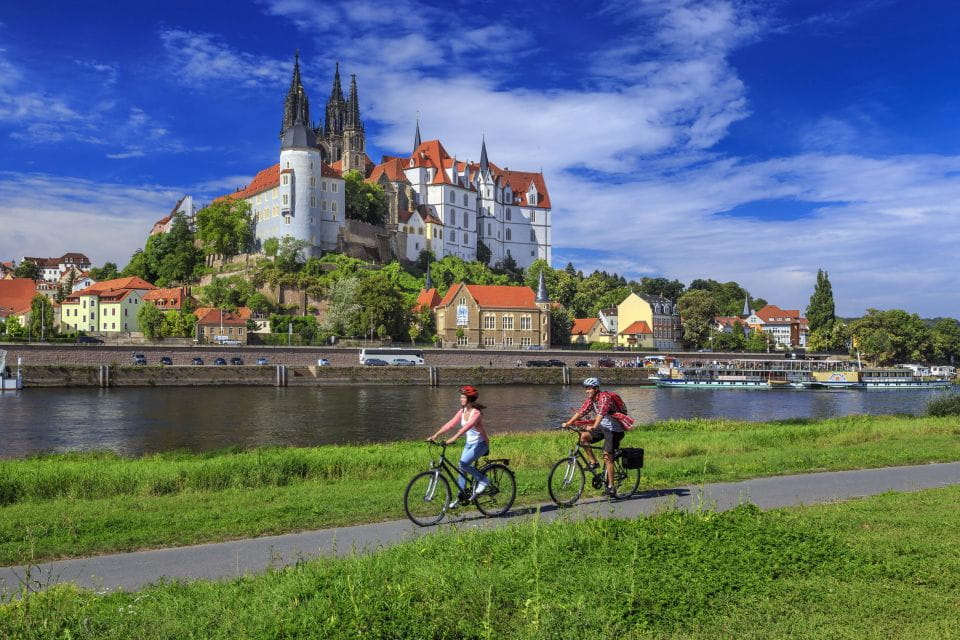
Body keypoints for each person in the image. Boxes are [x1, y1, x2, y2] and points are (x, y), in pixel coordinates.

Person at [428, 385, 490, 508]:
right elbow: (450, 424)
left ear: (469, 399)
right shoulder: (461, 411)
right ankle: (460, 498)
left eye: (463, 397)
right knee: (461, 469)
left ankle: (483, 480)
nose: (460, 399)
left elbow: (466, 427)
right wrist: (435, 435)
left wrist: (454, 438)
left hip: (481, 444)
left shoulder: (476, 413)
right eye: (461, 397)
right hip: (469, 444)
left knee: (463, 464)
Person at [561, 377, 625, 497]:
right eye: (586, 388)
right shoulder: (591, 400)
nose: (587, 391)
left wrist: (594, 426)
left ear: (596, 388)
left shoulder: (605, 398)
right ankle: (593, 461)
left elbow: (601, 413)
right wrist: (569, 423)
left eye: (589, 388)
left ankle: (611, 486)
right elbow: (581, 412)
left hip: (614, 430)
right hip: (603, 427)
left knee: (607, 457)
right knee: (583, 437)